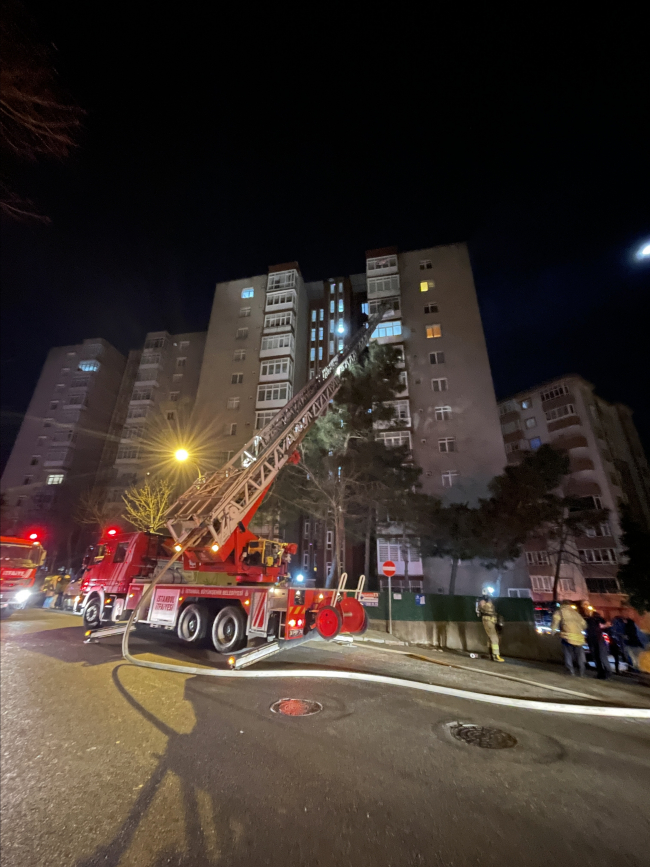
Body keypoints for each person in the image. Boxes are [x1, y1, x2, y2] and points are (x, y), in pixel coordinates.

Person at [552, 601, 587, 676]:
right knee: (579, 655)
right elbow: (584, 625)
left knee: (568, 654)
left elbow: (555, 621)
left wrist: (553, 631)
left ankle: (570, 671)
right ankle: (582, 672)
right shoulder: (576, 613)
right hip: (579, 638)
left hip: (567, 637)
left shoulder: (560, 612)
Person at [582, 606, 611, 680]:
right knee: (600, 657)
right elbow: (606, 628)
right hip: (597, 640)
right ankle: (604, 673)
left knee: (598, 657)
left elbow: (587, 629)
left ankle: (604, 673)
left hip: (596, 640)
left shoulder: (591, 620)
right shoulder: (597, 619)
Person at [476, 591, 504, 662]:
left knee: (491, 638)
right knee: (494, 638)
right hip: (487, 620)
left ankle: (491, 654)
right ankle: (496, 655)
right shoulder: (482, 601)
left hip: (492, 620)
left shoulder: (490, 601)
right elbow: (483, 608)